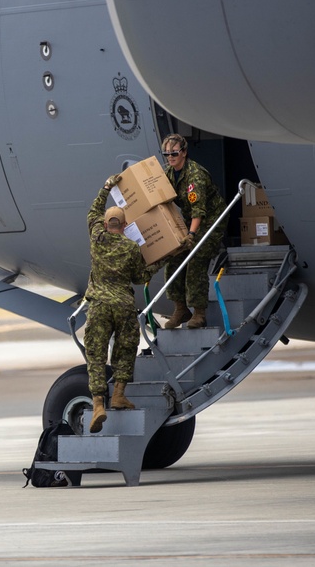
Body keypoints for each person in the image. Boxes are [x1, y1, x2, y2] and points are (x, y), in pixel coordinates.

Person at [84, 175, 159, 433]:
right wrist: (164, 258)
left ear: (105, 225)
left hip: (99, 306)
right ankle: (118, 395)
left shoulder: (97, 238)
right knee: (125, 351)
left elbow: (93, 211)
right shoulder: (130, 248)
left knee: (96, 353)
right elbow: (141, 277)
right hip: (124, 305)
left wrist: (106, 187)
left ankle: (97, 405)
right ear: (125, 226)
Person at [160, 133, 227, 329]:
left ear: (184, 152)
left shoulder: (195, 175)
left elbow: (199, 211)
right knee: (174, 259)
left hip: (211, 218)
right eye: (166, 154)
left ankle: (199, 312)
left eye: (174, 153)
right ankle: (180, 309)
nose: (170, 157)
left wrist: (191, 235)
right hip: (191, 220)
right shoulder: (170, 173)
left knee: (196, 258)